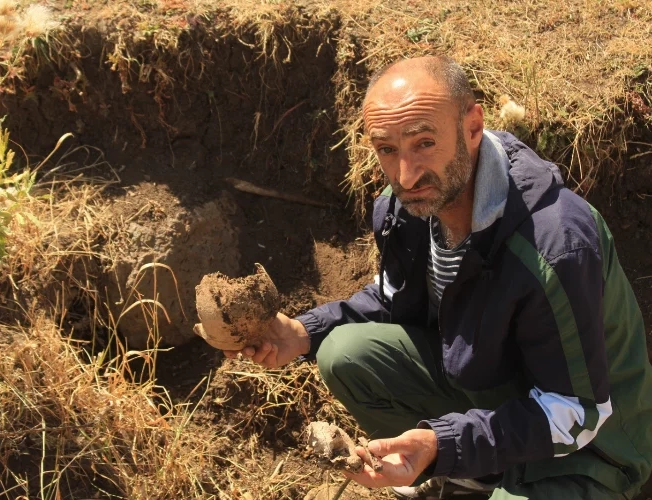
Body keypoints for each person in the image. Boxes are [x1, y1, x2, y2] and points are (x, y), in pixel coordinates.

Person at [223, 56, 652, 499]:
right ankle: (475, 478)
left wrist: (441, 443)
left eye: (424, 142)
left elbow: (576, 412)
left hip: (590, 446)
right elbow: (393, 299)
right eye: (387, 149)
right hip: (501, 403)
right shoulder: (408, 208)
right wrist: (301, 333)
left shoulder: (554, 244)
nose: (405, 175)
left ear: (472, 127)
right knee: (343, 353)